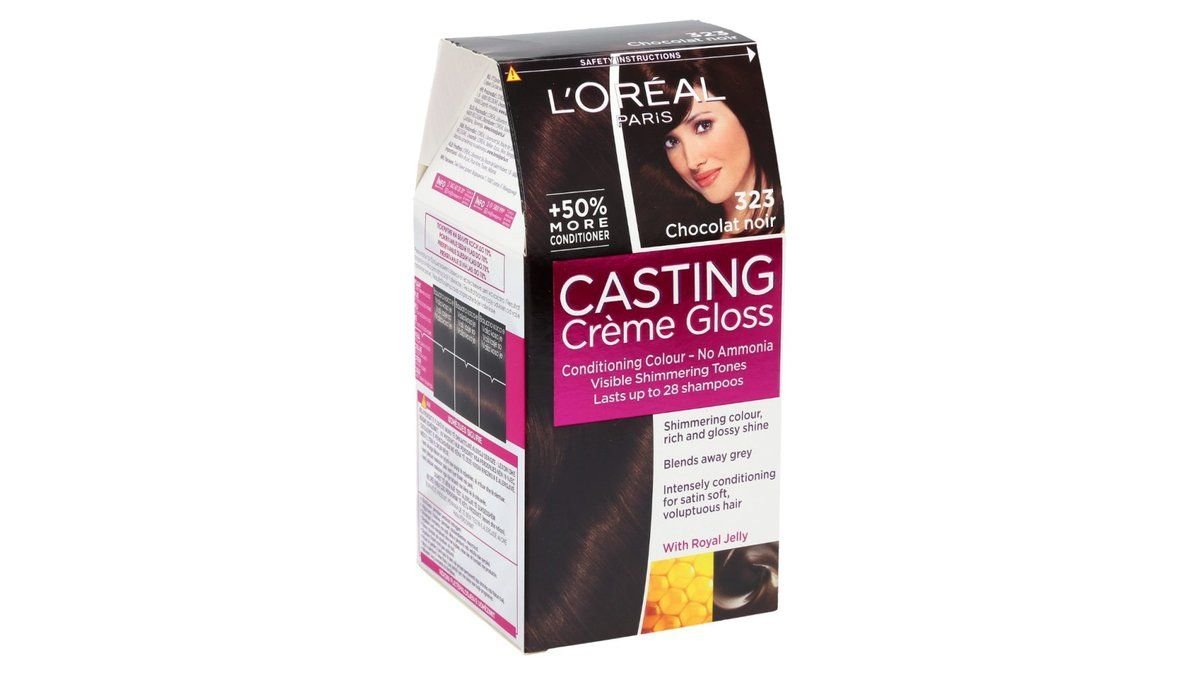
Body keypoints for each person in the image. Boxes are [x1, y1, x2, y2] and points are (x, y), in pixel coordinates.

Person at [623, 58, 785, 246]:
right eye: (671, 141)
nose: (692, 162)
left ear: (742, 112)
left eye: (703, 125)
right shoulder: (683, 235)